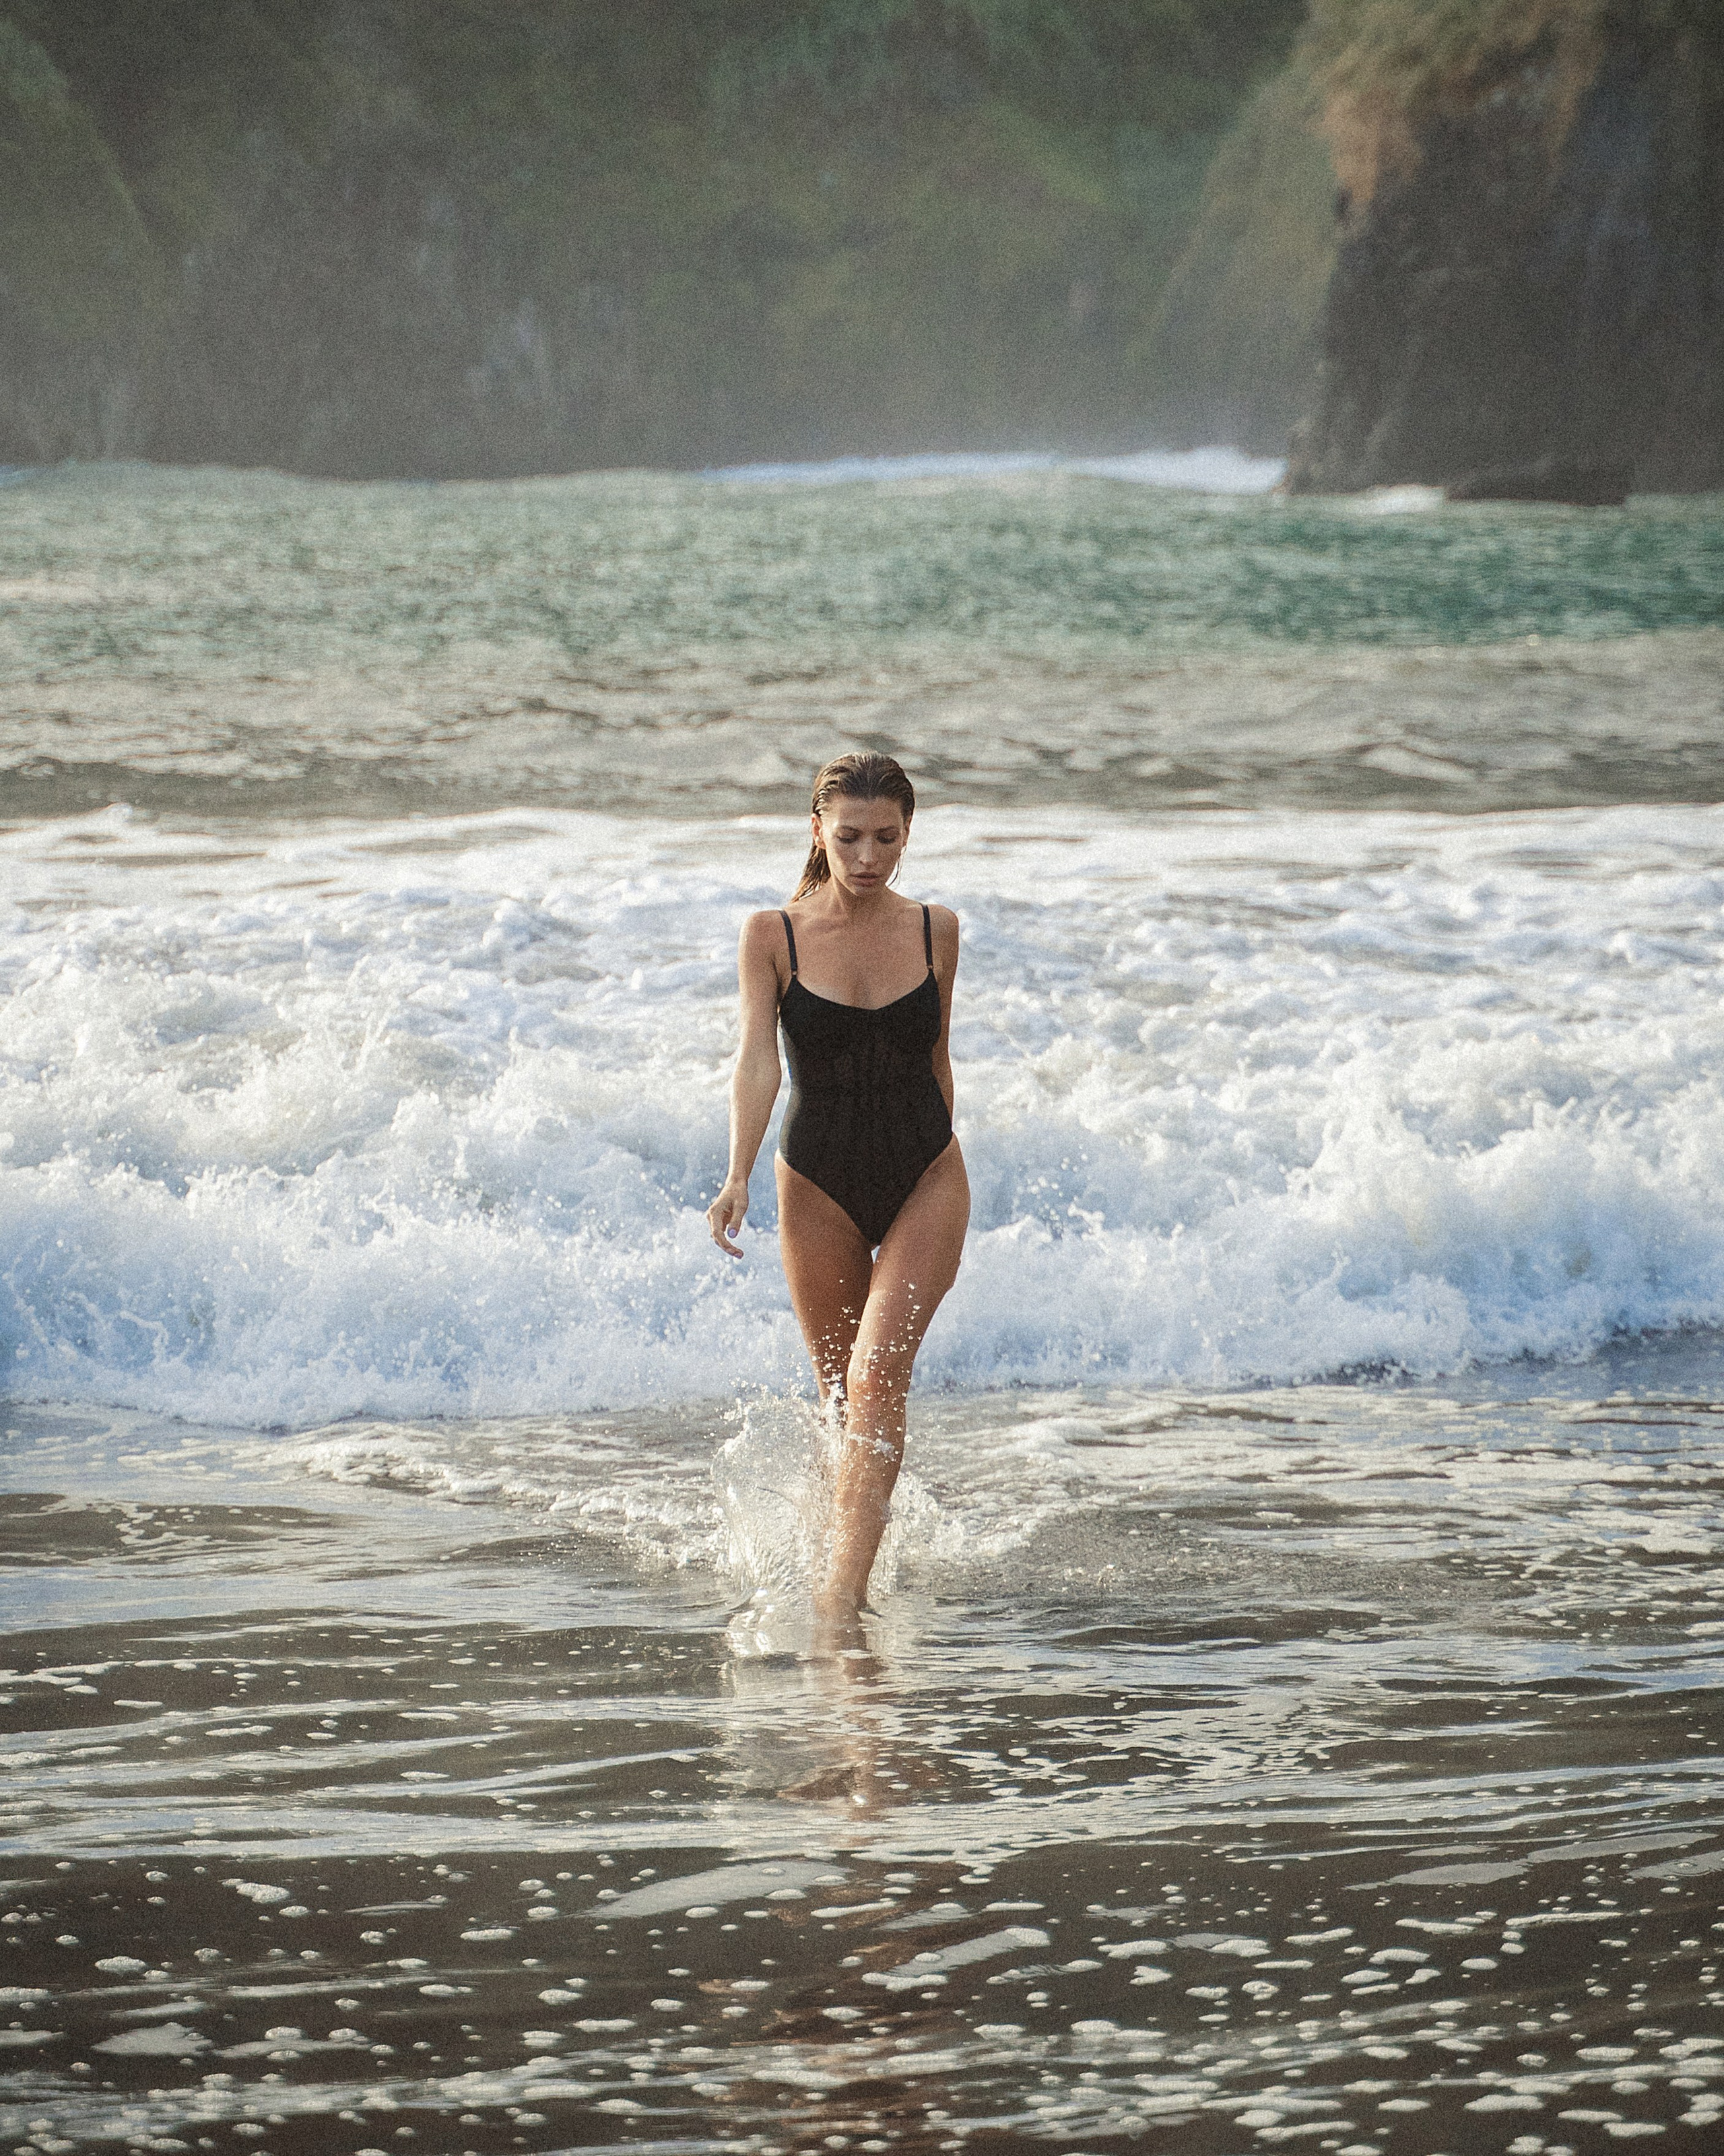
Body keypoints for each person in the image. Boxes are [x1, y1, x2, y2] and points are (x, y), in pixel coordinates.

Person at [707, 752, 969, 1626]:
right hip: (814, 1179)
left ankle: (841, 1601)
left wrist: (935, 1149)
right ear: (817, 829)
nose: (869, 855)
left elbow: (937, 1062)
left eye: (888, 837)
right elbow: (755, 1061)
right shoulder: (771, 934)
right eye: (850, 836)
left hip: (926, 1173)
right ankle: (848, 1542)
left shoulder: (938, 927)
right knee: (838, 1393)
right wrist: (737, 1173)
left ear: (907, 832)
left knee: (877, 1372)